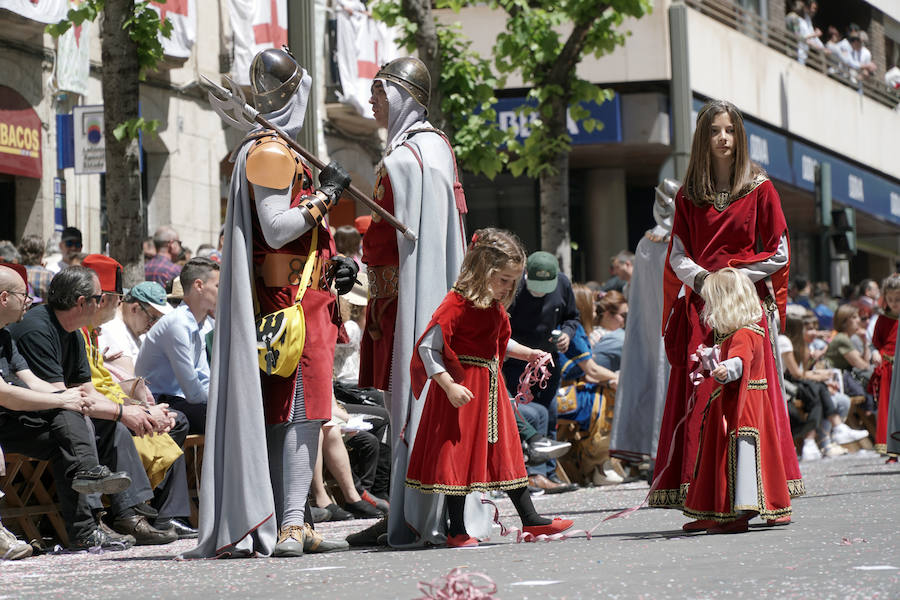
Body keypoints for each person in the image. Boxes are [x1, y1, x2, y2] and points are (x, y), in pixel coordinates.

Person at [187, 47, 356, 558]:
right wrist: (326, 198)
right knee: (303, 415)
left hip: (306, 295)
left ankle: (295, 519)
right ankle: (287, 524)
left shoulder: (276, 146)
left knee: (300, 414)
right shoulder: (271, 151)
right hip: (291, 306)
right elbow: (277, 228)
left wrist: (336, 261)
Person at [654, 99, 803, 520]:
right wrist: (705, 281)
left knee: (747, 402)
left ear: (740, 136)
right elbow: (678, 255)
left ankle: (758, 497)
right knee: (704, 398)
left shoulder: (761, 189)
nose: (723, 138)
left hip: (744, 305)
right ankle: (707, 501)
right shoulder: (688, 196)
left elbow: (779, 252)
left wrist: (733, 278)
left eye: (730, 130)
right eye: (715, 130)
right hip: (703, 307)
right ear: (703, 138)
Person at [357, 56, 484, 547]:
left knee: (410, 401)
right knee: (396, 408)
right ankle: (401, 508)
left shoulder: (411, 157)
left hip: (406, 297)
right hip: (393, 298)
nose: (372, 102)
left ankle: (415, 512)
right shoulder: (431, 150)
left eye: (380, 94)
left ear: (403, 98)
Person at [406, 228, 573, 547]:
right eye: (503, 280)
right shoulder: (456, 303)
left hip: (490, 389)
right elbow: (428, 346)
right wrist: (449, 386)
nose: (509, 287)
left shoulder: (494, 307)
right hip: (462, 390)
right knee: (459, 456)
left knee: (507, 452)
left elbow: (498, 341)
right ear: (483, 270)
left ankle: (531, 520)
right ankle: (455, 529)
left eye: (513, 281)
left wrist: (528, 353)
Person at [8, 265, 177, 547]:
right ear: (81, 302)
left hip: (53, 415)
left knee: (109, 428)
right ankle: (87, 527)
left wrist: (135, 413)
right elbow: (59, 396)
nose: (103, 303)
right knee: (77, 428)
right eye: (99, 297)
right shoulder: (37, 328)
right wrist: (124, 412)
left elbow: (85, 391)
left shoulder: (73, 332)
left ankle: (128, 515)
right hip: (23, 419)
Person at [80, 254, 192, 541]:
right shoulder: (84, 332)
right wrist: (136, 409)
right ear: (102, 300)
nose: (117, 305)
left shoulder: (92, 331)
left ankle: (165, 512)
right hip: (90, 411)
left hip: (114, 401)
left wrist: (140, 407)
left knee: (172, 421)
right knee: (122, 427)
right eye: (116, 300)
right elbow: (93, 388)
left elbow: (106, 383)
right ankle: (131, 510)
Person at [682, 269, 792, 533]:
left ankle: (738, 512)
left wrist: (725, 369)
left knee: (740, 455)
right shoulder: (739, 331)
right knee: (723, 456)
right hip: (734, 402)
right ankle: (717, 509)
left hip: (742, 407)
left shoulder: (744, 332)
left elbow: (740, 361)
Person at [610, 179, 675, 468]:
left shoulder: (647, 243)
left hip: (654, 327)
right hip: (669, 324)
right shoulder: (679, 238)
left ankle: (659, 455)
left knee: (656, 376)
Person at [503, 251, 580, 492]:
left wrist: (567, 335)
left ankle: (547, 472)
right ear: (526, 275)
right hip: (517, 363)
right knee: (528, 415)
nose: (541, 292)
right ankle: (530, 474)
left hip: (548, 363)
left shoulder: (563, 284)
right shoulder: (513, 288)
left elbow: (572, 318)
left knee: (550, 415)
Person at [136, 258, 220, 435]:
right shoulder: (178, 324)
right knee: (226, 418)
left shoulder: (196, 324)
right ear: (199, 285)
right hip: (158, 403)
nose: (223, 292)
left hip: (179, 401)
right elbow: (193, 392)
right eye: (218, 286)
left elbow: (204, 378)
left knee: (230, 414)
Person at [778, 314, 864, 460]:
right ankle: (827, 435)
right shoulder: (785, 342)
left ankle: (824, 437)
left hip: (790, 384)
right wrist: (819, 376)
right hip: (785, 387)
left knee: (820, 390)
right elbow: (797, 373)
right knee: (818, 390)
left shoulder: (790, 342)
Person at [98, 281, 172, 378]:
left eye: (157, 319)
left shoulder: (134, 328)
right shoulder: (114, 330)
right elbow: (131, 380)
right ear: (135, 309)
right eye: (152, 318)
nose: (153, 324)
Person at [871, 275, 899, 459]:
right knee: (890, 408)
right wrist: (874, 352)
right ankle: (891, 450)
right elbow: (876, 343)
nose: (894, 303)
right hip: (889, 368)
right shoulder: (882, 320)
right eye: (890, 299)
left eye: (898, 299)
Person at [590, 290, 628, 371]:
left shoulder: (592, 333)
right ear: (607, 314)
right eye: (623, 315)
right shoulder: (595, 336)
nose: (625, 320)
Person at [17, 234, 53, 303]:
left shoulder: (14, 273)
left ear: (21, 252)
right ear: (42, 253)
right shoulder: (50, 275)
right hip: (42, 313)